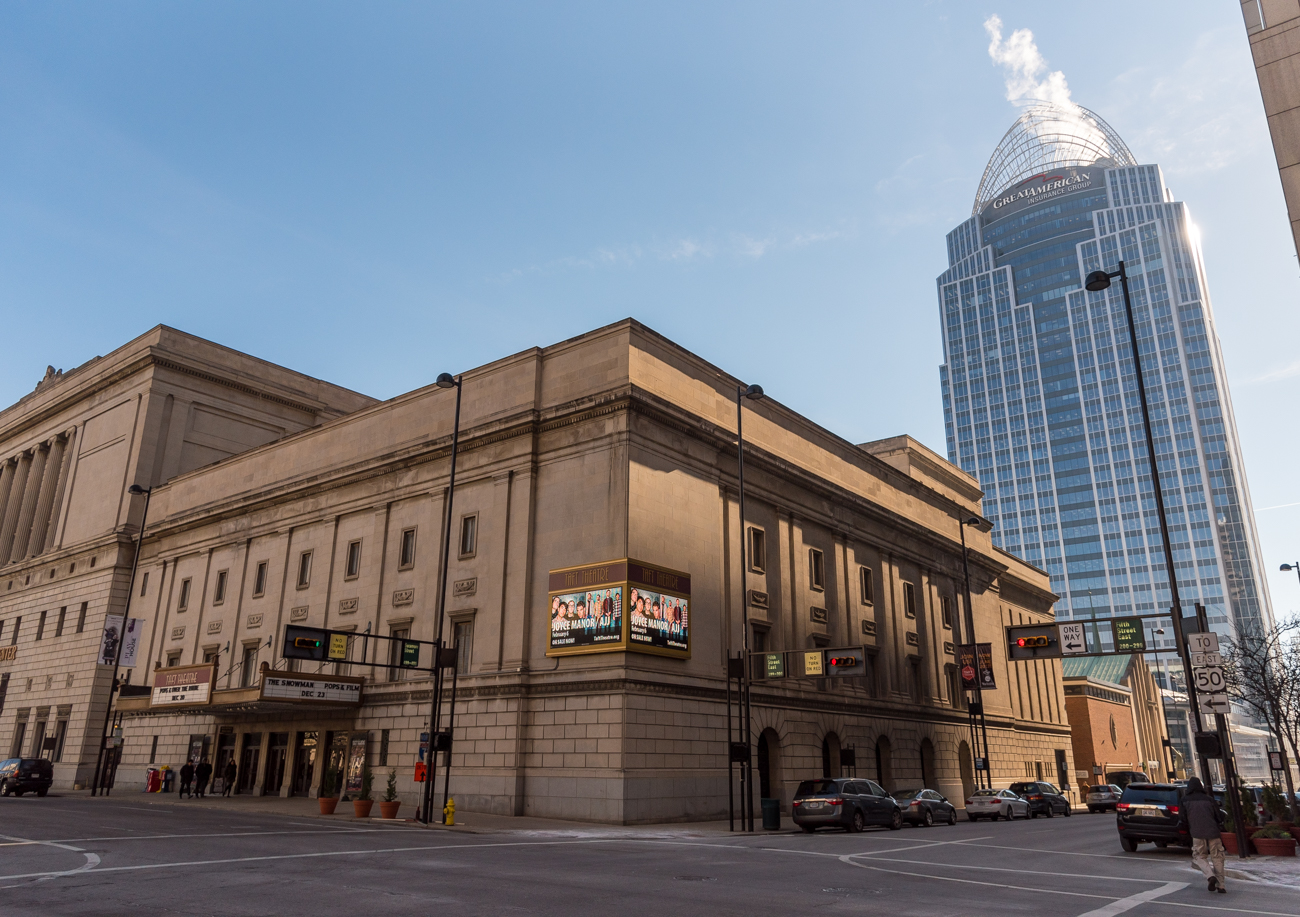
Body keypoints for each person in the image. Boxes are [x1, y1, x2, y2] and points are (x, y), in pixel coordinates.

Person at [1180, 777, 1227, 894]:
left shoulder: (1185, 800)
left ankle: (1210, 876)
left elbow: (1182, 819)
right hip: (1213, 832)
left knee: (1199, 856)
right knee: (1217, 857)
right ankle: (1221, 885)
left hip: (1197, 833)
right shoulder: (1209, 799)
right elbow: (1218, 816)